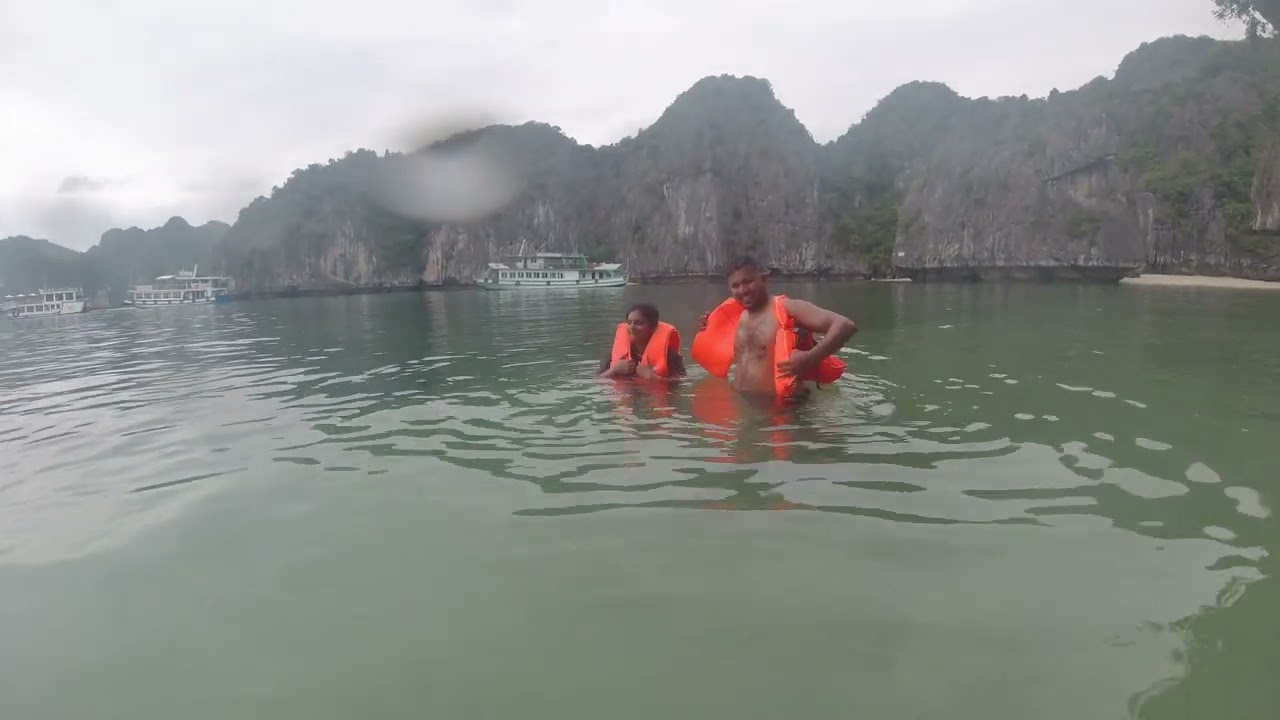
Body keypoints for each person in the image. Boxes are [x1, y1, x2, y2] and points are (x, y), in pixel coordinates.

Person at [691, 256, 856, 397]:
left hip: (778, 409)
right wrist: (710, 326)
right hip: (741, 403)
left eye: (748, 282)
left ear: (763, 279)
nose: (743, 290)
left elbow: (845, 325)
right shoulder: (737, 314)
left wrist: (809, 359)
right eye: (735, 285)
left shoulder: (786, 308)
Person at [598, 302, 687, 379]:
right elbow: (597, 380)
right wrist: (613, 370)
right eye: (629, 323)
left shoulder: (669, 355)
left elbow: (682, 381)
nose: (632, 327)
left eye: (639, 323)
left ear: (652, 327)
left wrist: (651, 376)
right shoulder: (615, 352)